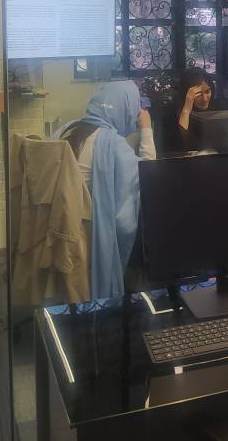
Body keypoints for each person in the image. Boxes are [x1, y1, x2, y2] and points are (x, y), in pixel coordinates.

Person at [57, 81, 151, 298]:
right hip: (87, 238)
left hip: (57, 230)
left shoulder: (66, 129)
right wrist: (146, 129)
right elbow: (147, 177)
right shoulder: (112, 143)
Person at [175, 67, 215, 151]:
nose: (204, 99)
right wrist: (186, 110)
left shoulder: (217, 108)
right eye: (198, 94)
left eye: (207, 91)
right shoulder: (173, 114)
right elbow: (182, 145)